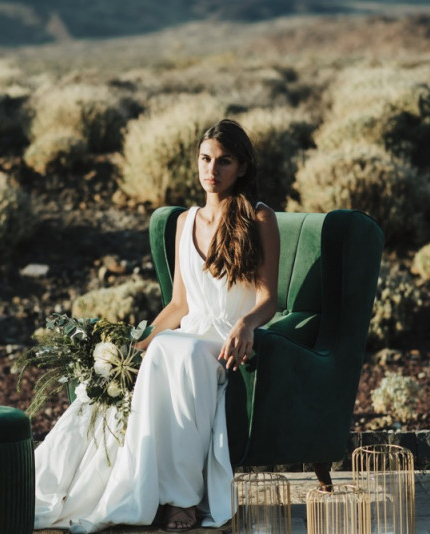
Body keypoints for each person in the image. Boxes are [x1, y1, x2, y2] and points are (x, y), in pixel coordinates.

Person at [33, 119, 280, 532]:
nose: (212, 170)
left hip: (224, 342)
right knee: (143, 364)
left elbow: (268, 299)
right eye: (205, 159)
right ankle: (65, 483)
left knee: (176, 351)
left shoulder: (258, 218)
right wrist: (138, 348)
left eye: (224, 161)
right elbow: (180, 304)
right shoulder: (185, 222)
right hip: (185, 339)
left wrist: (247, 325)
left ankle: (181, 501)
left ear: (241, 167)